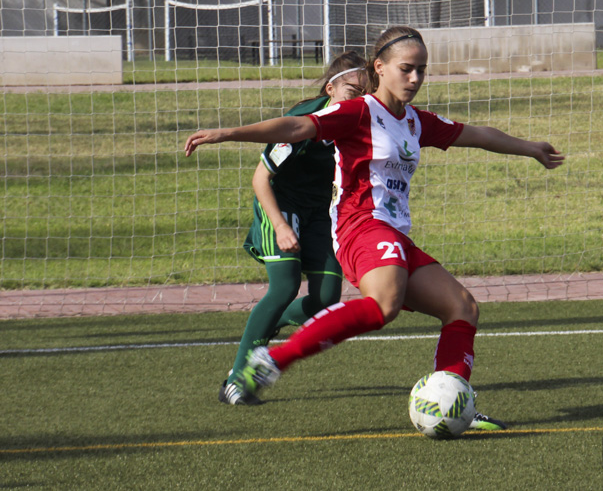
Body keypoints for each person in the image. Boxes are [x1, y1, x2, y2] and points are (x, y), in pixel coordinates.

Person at [187, 26, 563, 429]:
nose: (415, 79)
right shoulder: (359, 111)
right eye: (406, 69)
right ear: (379, 68)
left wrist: (530, 148)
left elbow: (477, 135)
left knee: (462, 307)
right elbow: (297, 127)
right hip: (360, 225)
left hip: (394, 233)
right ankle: (270, 362)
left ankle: (452, 404)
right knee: (383, 305)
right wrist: (228, 133)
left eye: (422, 70)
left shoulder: (417, 122)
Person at [219, 51, 368, 405]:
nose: (360, 99)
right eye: (352, 91)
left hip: (320, 213)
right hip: (280, 204)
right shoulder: (304, 123)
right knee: (284, 285)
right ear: (331, 87)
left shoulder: (360, 121)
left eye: (367, 92)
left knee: (325, 300)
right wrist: (281, 225)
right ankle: (237, 379)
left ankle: (273, 321)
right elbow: (260, 178)